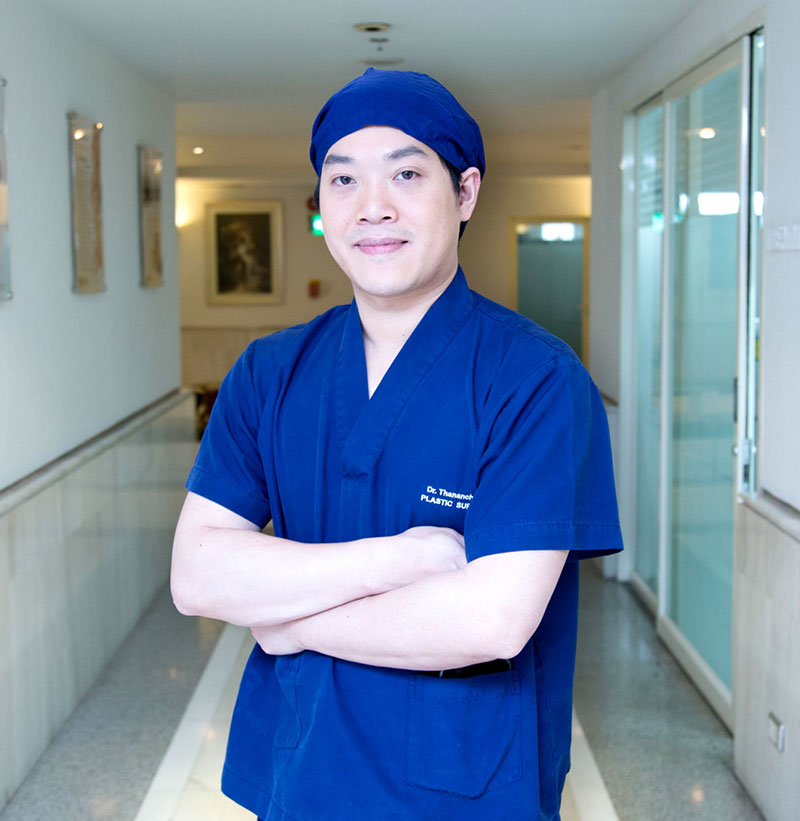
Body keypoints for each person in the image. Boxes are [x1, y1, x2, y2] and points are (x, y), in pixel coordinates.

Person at [171, 67, 623, 821]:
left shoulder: (535, 379)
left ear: (466, 192)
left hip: (464, 786)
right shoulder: (269, 373)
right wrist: (399, 559)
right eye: (343, 179)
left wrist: (285, 619)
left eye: (406, 174)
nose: (372, 207)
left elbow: (490, 620)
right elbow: (196, 574)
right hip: (299, 772)